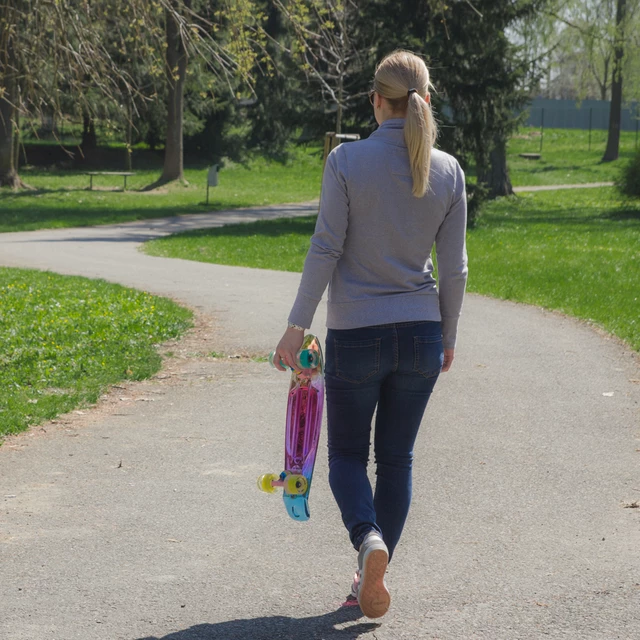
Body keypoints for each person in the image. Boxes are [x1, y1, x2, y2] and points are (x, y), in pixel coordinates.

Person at [273, 50, 468, 619]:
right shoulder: (449, 171)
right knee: (398, 460)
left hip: (357, 335)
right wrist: (447, 334)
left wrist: (296, 325)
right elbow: (453, 269)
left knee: (347, 457)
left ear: (374, 101)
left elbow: (325, 247)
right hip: (421, 335)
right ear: (424, 101)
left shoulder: (345, 163)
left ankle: (368, 542)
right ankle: (370, 577)